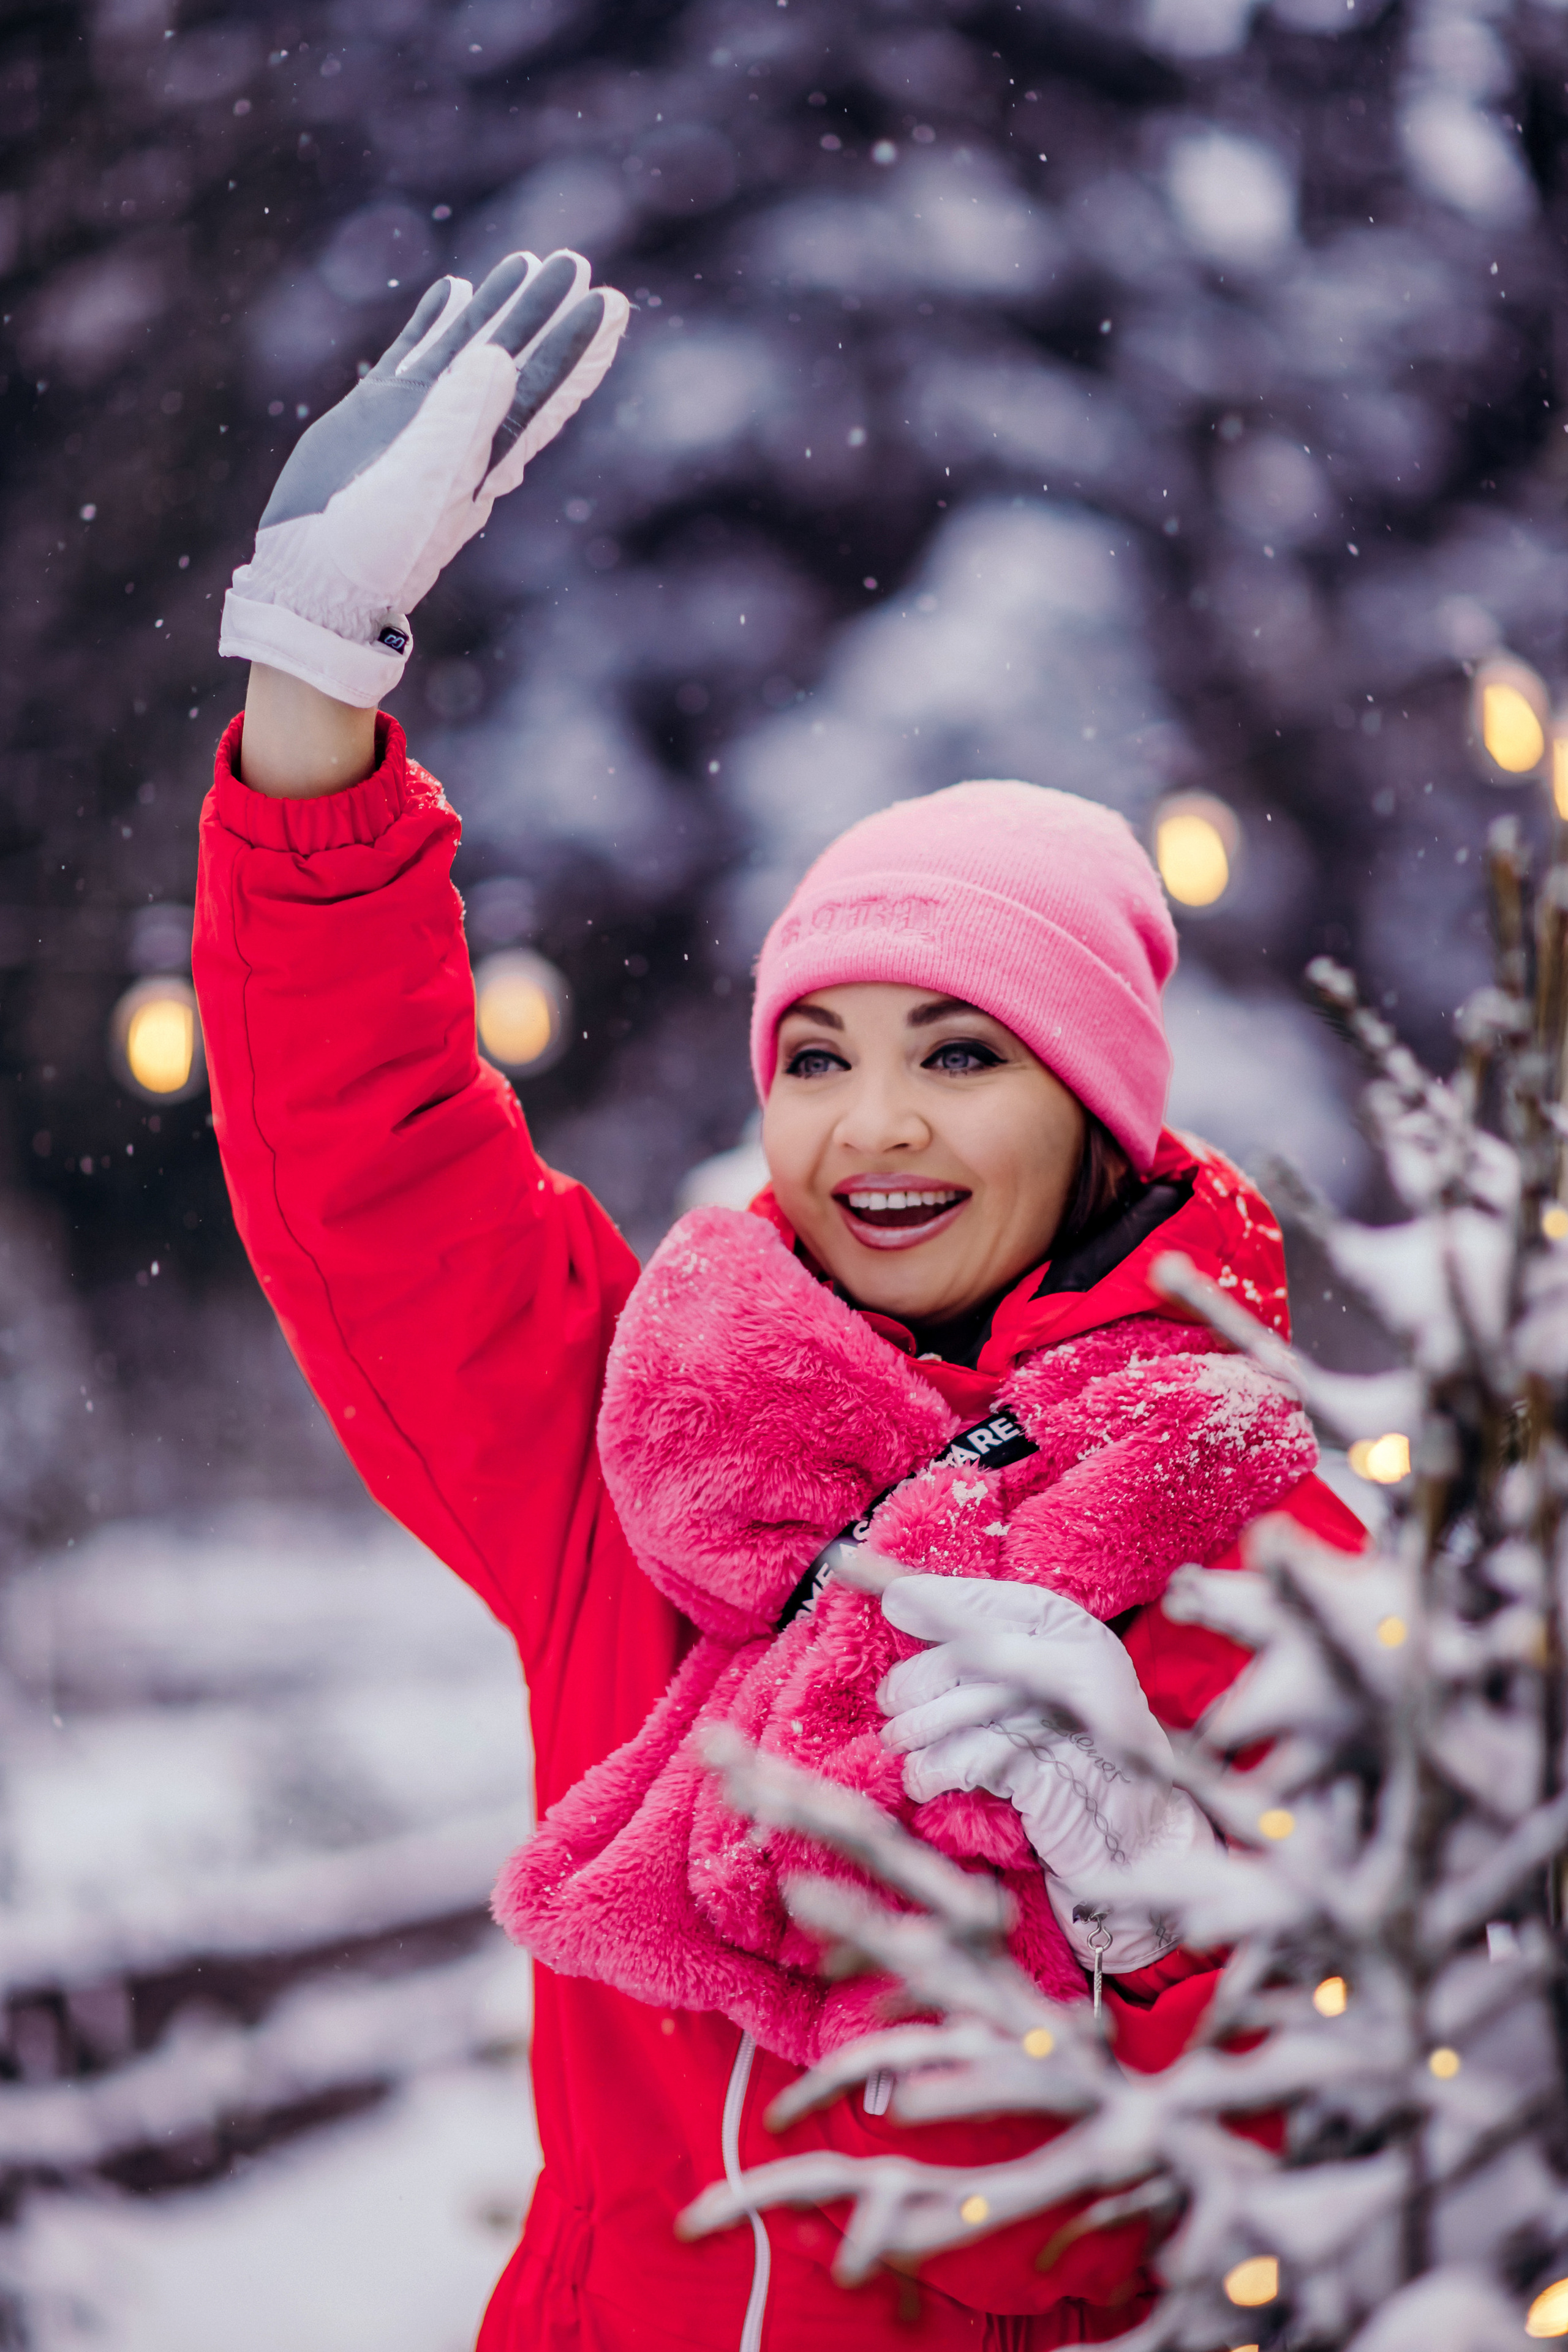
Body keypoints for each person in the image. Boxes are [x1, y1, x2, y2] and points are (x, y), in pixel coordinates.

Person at [192, 251, 1366, 2352]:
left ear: (1097, 1109)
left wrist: (1154, 1903)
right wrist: (312, 677)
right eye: (818, 1055)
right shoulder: (645, 1459)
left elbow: (1322, 2157)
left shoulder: (1251, 1532)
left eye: (963, 1049)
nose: (873, 1124)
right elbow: (372, 1165)